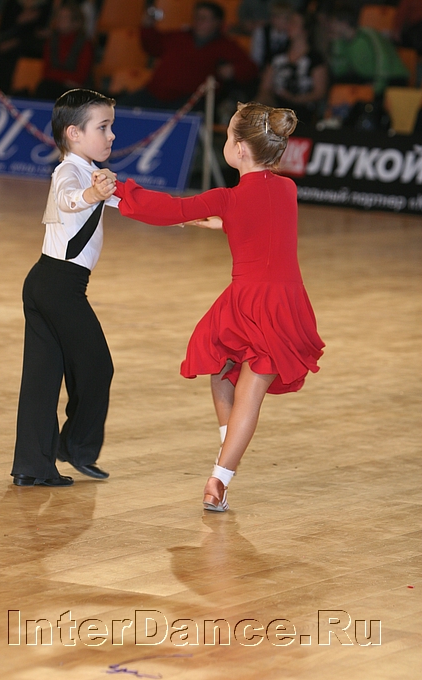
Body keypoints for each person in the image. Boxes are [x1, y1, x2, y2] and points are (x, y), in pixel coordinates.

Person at [99, 101, 325, 511]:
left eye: (228, 134)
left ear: (239, 149)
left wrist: (119, 192)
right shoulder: (288, 190)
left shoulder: (226, 197)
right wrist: (224, 223)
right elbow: (267, 222)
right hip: (284, 301)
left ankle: (219, 478)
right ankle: (226, 456)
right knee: (224, 368)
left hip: (248, 300)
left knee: (233, 378)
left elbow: (171, 210)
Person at [11, 87, 218, 488]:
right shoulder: (70, 173)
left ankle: (31, 466)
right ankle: (75, 447)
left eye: (111, 127)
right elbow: (68, 199)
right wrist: (92, 193)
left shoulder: (93, 174)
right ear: (74, 133)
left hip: (45, 283)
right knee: (97, 366)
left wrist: (189, 219)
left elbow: (138, 206)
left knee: (42, 377)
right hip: (59, 288)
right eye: (103, 127)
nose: (112, 135)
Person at [117, 1, 258, 111]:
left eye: (204, 18)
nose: (198, 21)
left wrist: (233, 70)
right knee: (119, 110)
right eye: (196, 17)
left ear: (217, 22)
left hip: (189, 100)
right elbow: (152, 47)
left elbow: (250, 69)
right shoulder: (179, 37)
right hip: (154, 93)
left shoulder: (226, 46)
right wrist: (147, 26)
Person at [256, 11, 328, 125]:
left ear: (305, 30)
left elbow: (319, 92)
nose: (289, 26)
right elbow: (265, 87)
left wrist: (295, 99)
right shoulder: (277, 56)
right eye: (289, 22)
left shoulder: (315, 59)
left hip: (303, 109)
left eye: (294, 23)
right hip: (276, 106)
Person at [328, 3, 409, 96]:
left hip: (392, 78)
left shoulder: (367, 34)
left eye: (333, 23)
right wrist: (337, 44)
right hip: (368, 79)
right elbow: (339, 72)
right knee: (340, 84)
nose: (331, 26)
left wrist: (376, 87)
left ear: (344, 24)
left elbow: (383, 58)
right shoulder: (342, 42)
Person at [34, 1, 95, 100]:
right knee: (44, 87)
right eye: (59, 16)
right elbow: (46, 71)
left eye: (65, 17)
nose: (60, 20)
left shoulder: (84, 44)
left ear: (76, 22)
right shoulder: (51, 41)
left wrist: (57, 75)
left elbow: (81, 76)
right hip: (54, 85)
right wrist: (64, 79)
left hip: (74, 89)